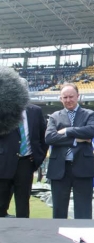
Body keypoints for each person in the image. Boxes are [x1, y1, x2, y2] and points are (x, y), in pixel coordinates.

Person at [45, 83, 94, 219]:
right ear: (60, 98)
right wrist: (76, 139)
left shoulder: (89, 114)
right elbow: (49, 138)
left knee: (84, 211)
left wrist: (67, 131)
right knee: (58, 210)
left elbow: (91, 131)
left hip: (83, 168)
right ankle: (58, 238)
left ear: (78, 96)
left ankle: (84, 237)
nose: (68, 100)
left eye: (71, 97)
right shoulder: (54, 116)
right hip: (59, 170)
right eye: (65, 97)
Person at [0, 77, 48, 218]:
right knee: (1, 203)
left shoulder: (36, 111)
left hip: (26, 163)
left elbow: (42, 137)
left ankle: (23, 235)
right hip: (4, 163)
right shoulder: (3, 110)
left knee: (23, 203)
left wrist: (37, 158)